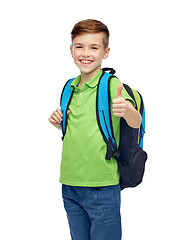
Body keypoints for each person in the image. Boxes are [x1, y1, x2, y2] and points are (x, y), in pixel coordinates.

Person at [49, 19, 142, 240]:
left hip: (102, 186)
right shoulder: (69, 87)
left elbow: (136, 121)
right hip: (70, 184)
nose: (85, 53)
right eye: (79, 46)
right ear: (71, 50)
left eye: (94, 47)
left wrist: (127, 109)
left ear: (106, 52)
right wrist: (58, 122)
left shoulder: (111, 86)